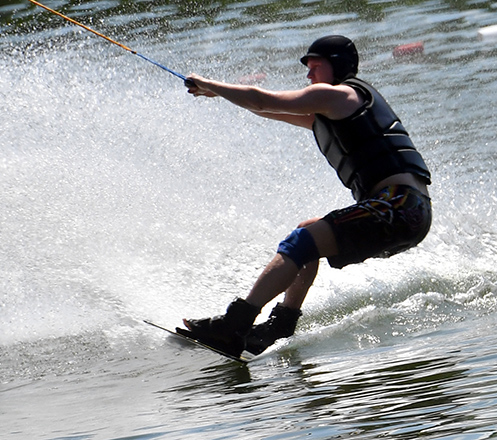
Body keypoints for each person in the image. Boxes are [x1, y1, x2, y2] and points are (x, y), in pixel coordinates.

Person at [178, 35, 432, 358]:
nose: (309, 75)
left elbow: (260, 99)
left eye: (315, 66)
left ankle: (235, 324)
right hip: (406, 212)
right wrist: (220, 94)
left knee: (301, 241)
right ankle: (279, 327)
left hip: (398, 206)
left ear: (337, 66)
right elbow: (265, 108)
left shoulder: (340, 95)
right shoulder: (332, 111)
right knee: (307, 233)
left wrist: (209, 83)